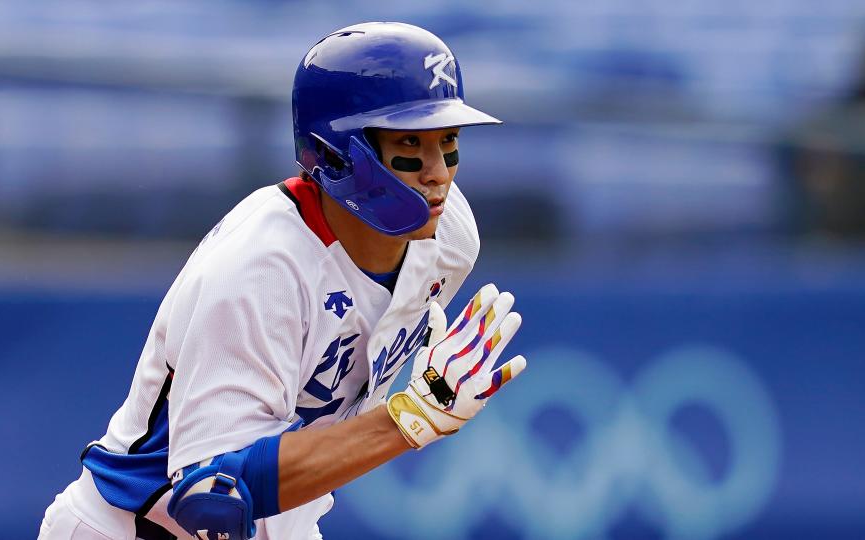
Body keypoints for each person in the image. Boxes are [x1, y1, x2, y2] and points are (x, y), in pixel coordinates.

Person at [39, 22, 527, 540]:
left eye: (447, 141)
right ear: (342, 149)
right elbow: (211, 496)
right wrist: (409, 418)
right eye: (410, 142)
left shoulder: (450, 239)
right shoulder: (263, 265)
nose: (439, 173)